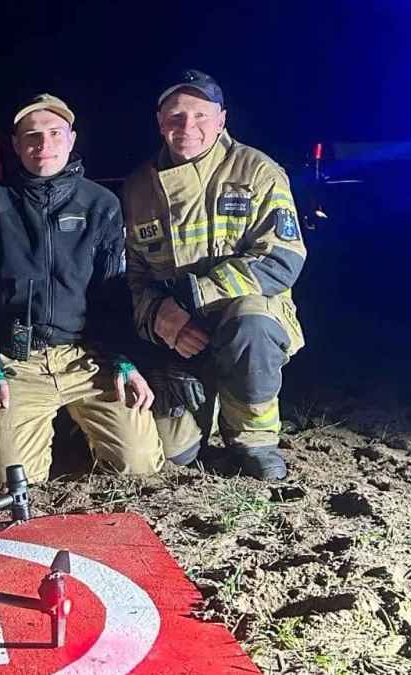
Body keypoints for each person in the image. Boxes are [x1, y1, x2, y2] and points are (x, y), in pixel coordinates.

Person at [0, 94, 164, 486]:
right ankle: (20, 427)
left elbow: (114, 293)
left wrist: (124, 360)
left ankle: (77, 428)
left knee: (139, 464)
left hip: (87, 358)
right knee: (10, 481)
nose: (44, 145)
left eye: (55, 133)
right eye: (32, 136)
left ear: (71, 139)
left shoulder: (101, 204)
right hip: (17, 360)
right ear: (17, 143)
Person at [120, 70, 306, 480]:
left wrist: (196, 297)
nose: (188, 127)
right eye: (176, 116)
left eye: (201, 116)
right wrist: (160, 318)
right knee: (174, 454)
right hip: (178, 336)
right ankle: (204, 404)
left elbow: (281, 259)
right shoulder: (137, 189)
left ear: (222, 120)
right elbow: (134, 276)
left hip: (246, 318)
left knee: (252, 322)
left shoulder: (258, 172)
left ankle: (254, 439)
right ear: (160, 122)